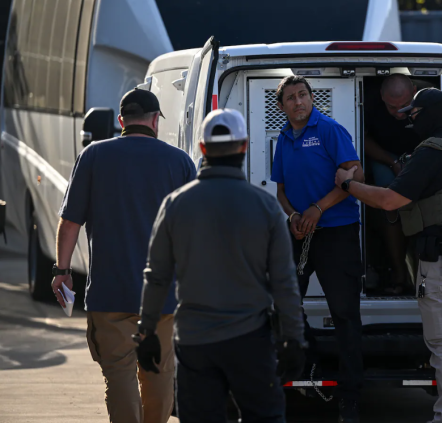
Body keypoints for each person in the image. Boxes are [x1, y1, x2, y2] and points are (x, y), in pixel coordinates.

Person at [135, 109, 305, 423]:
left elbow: (156, 276)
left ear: (202, 149)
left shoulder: (175, 204)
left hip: (194, 341)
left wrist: (146, 333)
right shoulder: (265, 206)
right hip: (250, 340)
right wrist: (293, 337)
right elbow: (284, 280)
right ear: (243, 146)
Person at [335, 88, 442, 423]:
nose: (409, 122)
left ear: (430, 114)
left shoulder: (432, 152)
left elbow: (390, 201)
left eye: (413, 115)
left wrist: (349, 186)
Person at [51, 89, 196, 423]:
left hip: (110, 293)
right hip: (163, 298)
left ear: (121, 121)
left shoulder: (93, 156)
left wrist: (61, 270)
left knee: (119, 376)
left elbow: (71, 221)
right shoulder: (179, 162)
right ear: (155, 120)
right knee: (158, 376)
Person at [271, 76, 365, 423]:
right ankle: (307, 361)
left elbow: (355, 175)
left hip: (336, 232)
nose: (298, 102)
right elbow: (280, 190)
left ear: (311, 98)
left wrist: (318, 209)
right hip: (298, 232)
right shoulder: (283, 137)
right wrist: (294, 215)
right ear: (281, 106)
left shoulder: (329, 129)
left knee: (344, 314)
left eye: (303, 95)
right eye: (291, 98)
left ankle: (350, 398)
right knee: (285, 302)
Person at [364, 74, 421, 295]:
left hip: (420, 156)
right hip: (385, 156)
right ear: (381, 97)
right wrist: (393, 162)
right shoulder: (369, 103)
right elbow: (363, 138)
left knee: (422, 210)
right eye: (391, 107)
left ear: (414, 91)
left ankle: (419, 276)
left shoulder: (427, 101)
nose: (398, 112)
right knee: (390, 207)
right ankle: (399, 273)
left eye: (405, 106)